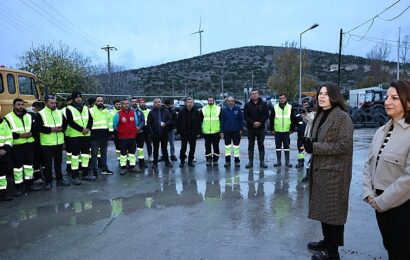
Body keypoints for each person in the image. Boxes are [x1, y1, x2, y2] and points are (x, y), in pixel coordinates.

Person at [303, 83, 354, 260]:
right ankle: (326, 241)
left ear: (334, 96)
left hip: (335, 173)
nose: (321, 97)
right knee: (325, 209)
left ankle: (333, 253)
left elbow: (343, 145)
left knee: (334, 213)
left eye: (326, 94)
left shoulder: (342, 117)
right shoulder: (320, 115)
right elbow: (316, 138)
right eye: (320, 94)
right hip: (321, 170)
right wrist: (306, 143)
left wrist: (314, 147)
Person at [362, 80, 410, 259]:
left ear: (408, 102)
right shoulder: (380, 131)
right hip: (379, 202)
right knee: (390, 247)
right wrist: (369, 193)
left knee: (403, 249)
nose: (387, 101)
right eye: (387, 97)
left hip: (402, 205)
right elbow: (368, 164)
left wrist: (383, 201)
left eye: (395, 98)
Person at [5, 98, 41, 195]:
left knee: (29, 166)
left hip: (29, 144)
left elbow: (34, 129)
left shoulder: (29, 116)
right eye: (18, 105)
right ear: (13, 106)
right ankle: (18, 187)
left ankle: (29, 185)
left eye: (22, 105)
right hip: (17, 145)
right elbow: (7, 133)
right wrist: (20, 135)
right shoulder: (8, 118)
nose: (21, 107)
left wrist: (31, 134)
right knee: (18, 167)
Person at [35, 95, 71, 189]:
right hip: (47, 143)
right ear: (46, 103)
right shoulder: (41, 114)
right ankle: (48, 181)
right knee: (48, 164)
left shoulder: (59, 112)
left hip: (59, 142)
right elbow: (38, 127)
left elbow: (65, 123)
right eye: (52, 103)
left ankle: (60, 179)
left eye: (55, 103)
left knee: (58, 162)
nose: (54, 104)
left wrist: (62, 128)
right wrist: (51, 129)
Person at [66, 91, 93, 184]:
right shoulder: (69, 108)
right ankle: (75, 176)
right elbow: (71, 122)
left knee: (85, 155)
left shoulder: (85, 107)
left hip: (86, 135)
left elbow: (90, 119)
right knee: (75, 156)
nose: (79, 99)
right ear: (73, 98)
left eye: (80, 97)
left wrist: (88, 128)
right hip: (75, 135)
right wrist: (82, 129)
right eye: (77, 97)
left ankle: (85, 174)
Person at [112, 98, 140, 175]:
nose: (126, 105)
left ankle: (132, 166)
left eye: (127, 103)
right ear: (122, 105)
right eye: (124, 104)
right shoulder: (118, 114)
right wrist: (121, 131)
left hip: (132, 137)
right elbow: (114, 125)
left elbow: (136, 123)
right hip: (122, 138)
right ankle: (123, 167)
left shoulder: (133, 113)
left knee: (132, 153)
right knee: (123, 153)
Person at [243, 89, 269, 168]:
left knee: (261, 145)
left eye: (255, 93)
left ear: (258, 95)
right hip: (251, 128)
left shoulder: (264, 104)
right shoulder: (247, 105)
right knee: (251, 145)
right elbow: (245, 116)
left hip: (261, 128)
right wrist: (253, 123)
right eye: (252, 93)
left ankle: (262, 162)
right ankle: (250, 162)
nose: (254, 95)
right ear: (251, 95)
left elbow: (266, 115)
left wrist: (259, 122)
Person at [270, 93, 296, 168]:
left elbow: (292, 119)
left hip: (286, 131)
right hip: (277, 131)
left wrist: (292, 129)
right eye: (280, 98)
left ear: (286, 99)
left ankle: (287, 161)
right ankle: (278, 161)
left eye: (283, 98)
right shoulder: (275, 107)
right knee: (278, 146)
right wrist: (272, 129)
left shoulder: (290, 107)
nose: (281, 99)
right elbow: (271, 119)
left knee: (287, 146)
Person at [89, 96, 114, 177]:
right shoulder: (91, 110)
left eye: (102, 101)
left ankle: (104, 169)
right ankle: (94, 171)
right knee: (94, 154)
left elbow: (110, 122)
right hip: (94, 135)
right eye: (98, 101)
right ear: (95, 102)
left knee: (104, 153)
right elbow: (88, 122)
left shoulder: (106, 111)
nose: (100, 102)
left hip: (104, 135)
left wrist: (110, 132)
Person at [147, 98, 172, 169]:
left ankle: (167, 162)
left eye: (159, 102)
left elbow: (170, 120)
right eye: (156, 102)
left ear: (161, 103)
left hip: (164, 133)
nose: (158, 103)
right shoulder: (151, 112)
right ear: (154, 104)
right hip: (155, 134)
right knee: (155, 149)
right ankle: (155, 163)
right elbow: (149, 124)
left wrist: (166, 124)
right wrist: (152, 133)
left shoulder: (165, 111)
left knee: (164, 149)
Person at [176, 97, 201, 168]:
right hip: (184, 133)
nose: (190, 104)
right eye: (189, 102)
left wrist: (199, 132)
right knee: (183, 148)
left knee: (192, 148)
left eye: (191, 102)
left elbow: (199, 123)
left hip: (193, 133)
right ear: (186, 103)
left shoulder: (196, 112)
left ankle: (190, 161)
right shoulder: (181, 111)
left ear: (193, 103)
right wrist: (178, 132)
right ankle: (182, 161)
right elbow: (178, 123)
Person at [220, 96, 243, 168]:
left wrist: (241, 129)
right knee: (227, 147)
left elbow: (241, 120)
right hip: (227, 132)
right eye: (229, 101)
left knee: (236, 147)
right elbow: (222, 121)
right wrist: (222, 131)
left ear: (234, 101)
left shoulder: (238, 109)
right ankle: (227, 161)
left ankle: (237, 161)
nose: (230, 102)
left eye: (232, 101)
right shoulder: (224, 110)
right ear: (227, 102)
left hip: (236, 131)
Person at [201, 96, 221, 166]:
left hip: (216, 131)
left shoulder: (218, 109)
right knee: (207, 147)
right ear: (207, 101)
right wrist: (202, 130)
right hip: (206, 132)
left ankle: (215, 160)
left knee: (216, 147)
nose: (210, 102)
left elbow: (221, 120)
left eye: (211, 100)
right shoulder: (203, 109)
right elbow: (201, 120)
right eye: (209, 100)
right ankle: (208, 159)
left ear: (214, 101)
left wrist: (221, 131)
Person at [301, 100, 315, 183]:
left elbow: (313, 121)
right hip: (307, 137)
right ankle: (307, 175)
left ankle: (311, 175)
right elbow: (306, 121)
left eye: (307, 105)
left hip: (312, 138)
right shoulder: (309, 113)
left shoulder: (315, 114)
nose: (306, 106)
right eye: (304, 105)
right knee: (307, 157)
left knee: (311, 159)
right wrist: (304, 114)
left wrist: (308, 113)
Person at [0, 116, 13, 201]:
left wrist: (5, 149)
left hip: (3, 152)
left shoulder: (4, 123)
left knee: (2, 175)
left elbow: (9, 137)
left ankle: (3, 194)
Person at [131, 97, 146, 169]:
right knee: (131, 148)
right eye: (133, 101)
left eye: (135, 101)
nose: (134, 103)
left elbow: (143, 121)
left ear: (137, 103)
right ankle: (132, 163)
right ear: (131, 103)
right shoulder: (128, 111)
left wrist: (139, 127)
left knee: (140, 148)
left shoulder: (140, 111)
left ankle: (141, 162)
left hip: (140, 132)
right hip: (131, 133)